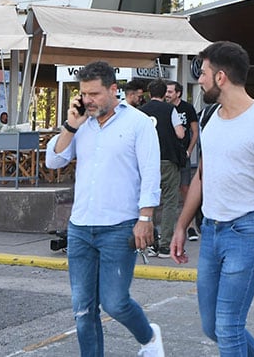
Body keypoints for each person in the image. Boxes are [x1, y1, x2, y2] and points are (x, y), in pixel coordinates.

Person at [170, 41, 254, 357]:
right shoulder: (211, 115)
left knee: (228, 327)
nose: (199, 79)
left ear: (221, 77)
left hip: (248, 233)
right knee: (212, 326)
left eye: (203, 73)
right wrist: (181, 226)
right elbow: (203, 175)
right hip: (212, 232)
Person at [45, 61, 166, 357]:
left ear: (114, 90)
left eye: (95, 93)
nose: (88, 100)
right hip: (81, 227)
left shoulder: (138, 123)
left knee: (115, 302)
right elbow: (53, 161)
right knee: (83, 309)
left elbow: (151, 175)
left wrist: (145, 218)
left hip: (120, 226)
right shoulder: (81, 125)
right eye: (84, 93)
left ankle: (149, 337)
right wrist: (71, 125)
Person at [138, 78, 185, 258]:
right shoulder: (170, 109)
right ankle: (165, 245)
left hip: (146, 162)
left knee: (148, 201)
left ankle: (149, 242)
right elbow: (180, 133)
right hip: (167, 159)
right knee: (170, 202)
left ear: (150, 94)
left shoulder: (141, 112)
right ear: (165, 93)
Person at [164, 79, 201, 240]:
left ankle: (190, 226)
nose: (167, 94)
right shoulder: (164, 108)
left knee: (185, 189)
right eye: (165, 91)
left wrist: (189, 150)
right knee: (167, 192)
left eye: (170, 91)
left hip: (182, 154)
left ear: (178, 93)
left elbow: (194, 131)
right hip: (167, 155)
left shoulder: (187, 108)